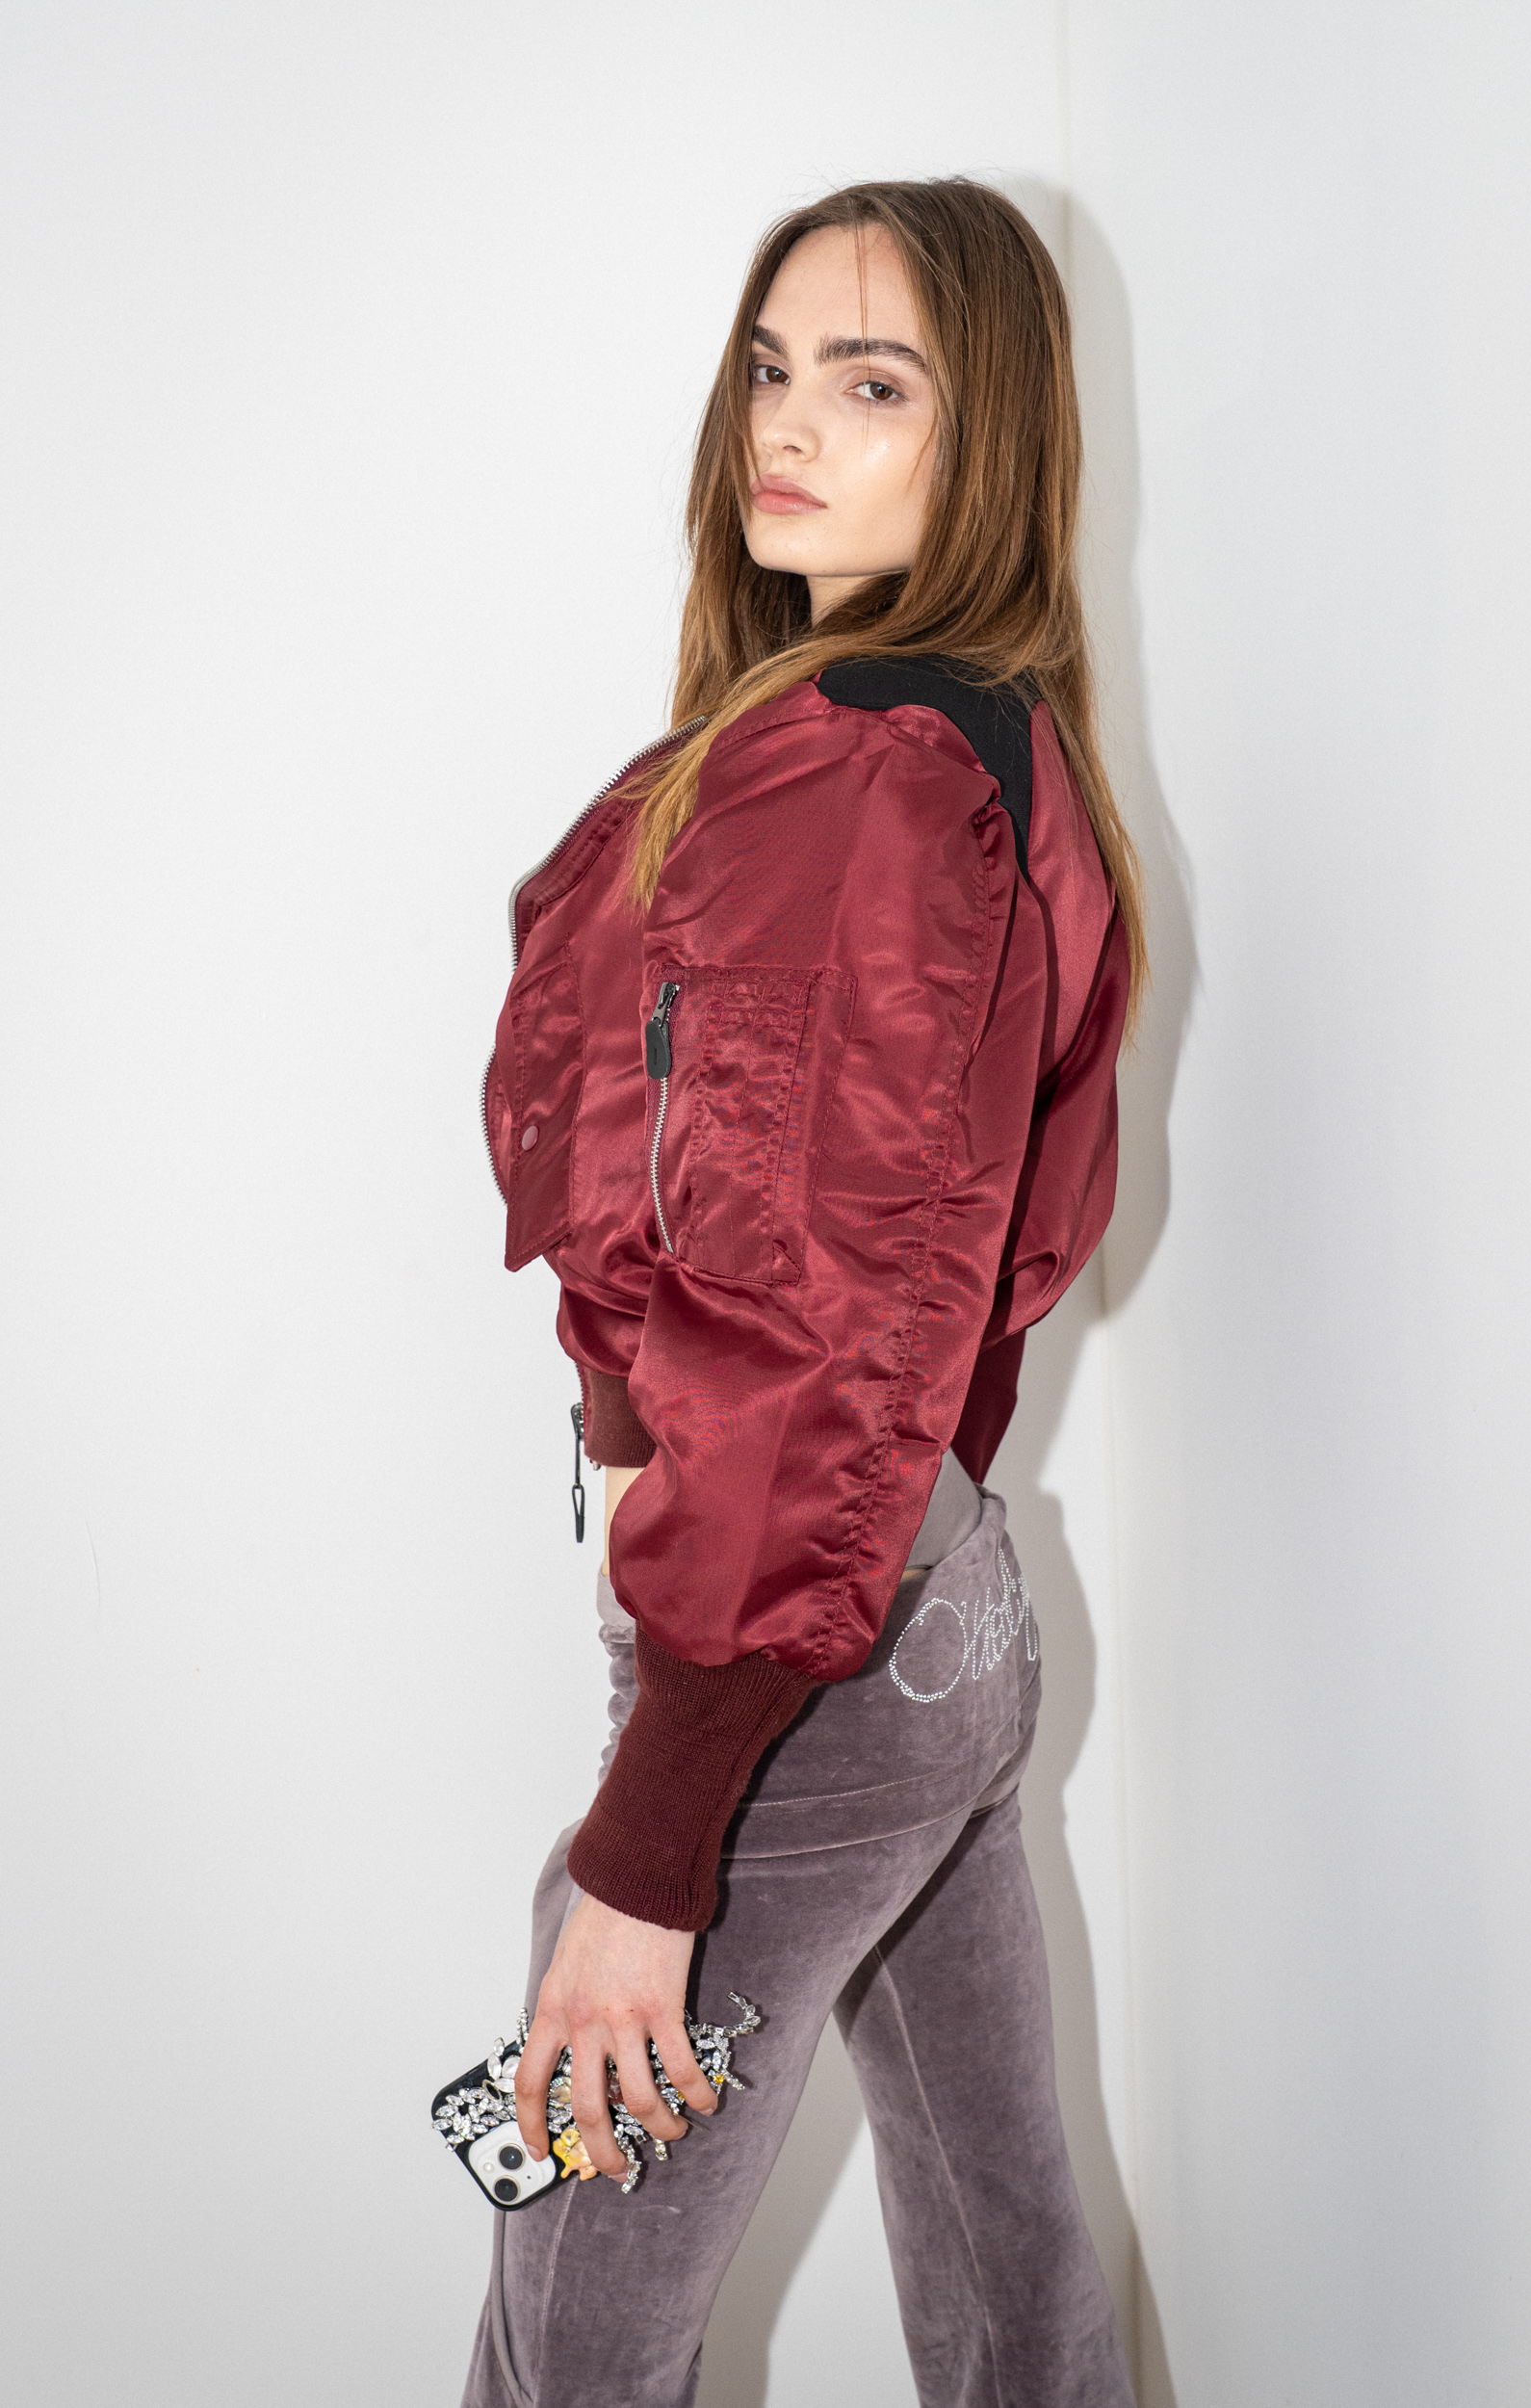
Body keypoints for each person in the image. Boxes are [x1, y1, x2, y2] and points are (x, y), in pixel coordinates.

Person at [463, 176, 1146, 2408]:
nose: (787, 426)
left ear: (990, 436)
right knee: (1012, 2269)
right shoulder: (990, 749)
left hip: (798, 1664)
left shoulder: (866, 771)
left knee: (577, 2328)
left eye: (872, 384)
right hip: (927, 1615)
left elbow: (825, 1325)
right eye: (772, 367)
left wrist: (663, 1822)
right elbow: (968, 1275)